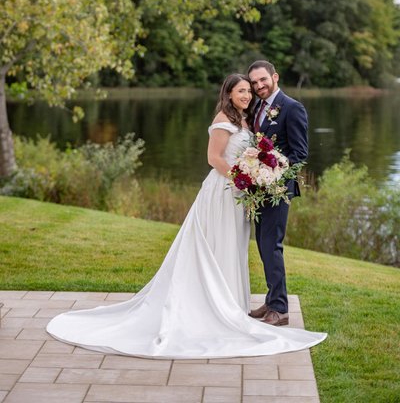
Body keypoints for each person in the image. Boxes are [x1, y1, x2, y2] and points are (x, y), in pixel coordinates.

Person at [47, 73, 326, 358]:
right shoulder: (223, 119)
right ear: (228, 93)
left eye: (250, 89)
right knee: (219, 244)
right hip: (224, 191)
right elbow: (214, 158)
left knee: (235, 245)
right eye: (242, 89)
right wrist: (242, 177)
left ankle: (237, 303)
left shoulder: (250, 116)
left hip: (242, 193)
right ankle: (216, 305)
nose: (248, 93)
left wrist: (254, 175)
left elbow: (286, 151)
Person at [248, 60, 308, 327]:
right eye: (254, 82)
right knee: (263, 245)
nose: (259, 85)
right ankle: (272, 299)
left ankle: (281, 310)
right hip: (258, 191)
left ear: (275, 77)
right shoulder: (257, 108)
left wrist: (274, 178)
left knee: (272, 246)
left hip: (278, 191)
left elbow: (299, 155)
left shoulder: (292, 108)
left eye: (263, 80)